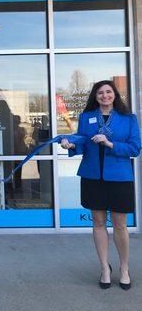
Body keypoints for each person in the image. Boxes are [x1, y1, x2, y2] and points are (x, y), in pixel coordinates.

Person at [60, 80, 140, 291]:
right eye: (100, 93)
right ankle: (105, 268)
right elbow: (82, 143)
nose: (104, 96)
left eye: (108, 92)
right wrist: (71, 144)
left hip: (120, 177)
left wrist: (110, 143)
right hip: (93, 176)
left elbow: (135, 149)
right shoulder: (87, 117)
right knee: (97, 222)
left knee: (120, 224)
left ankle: (124, 268)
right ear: (95, 97)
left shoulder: (129, 119)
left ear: (114, 94)